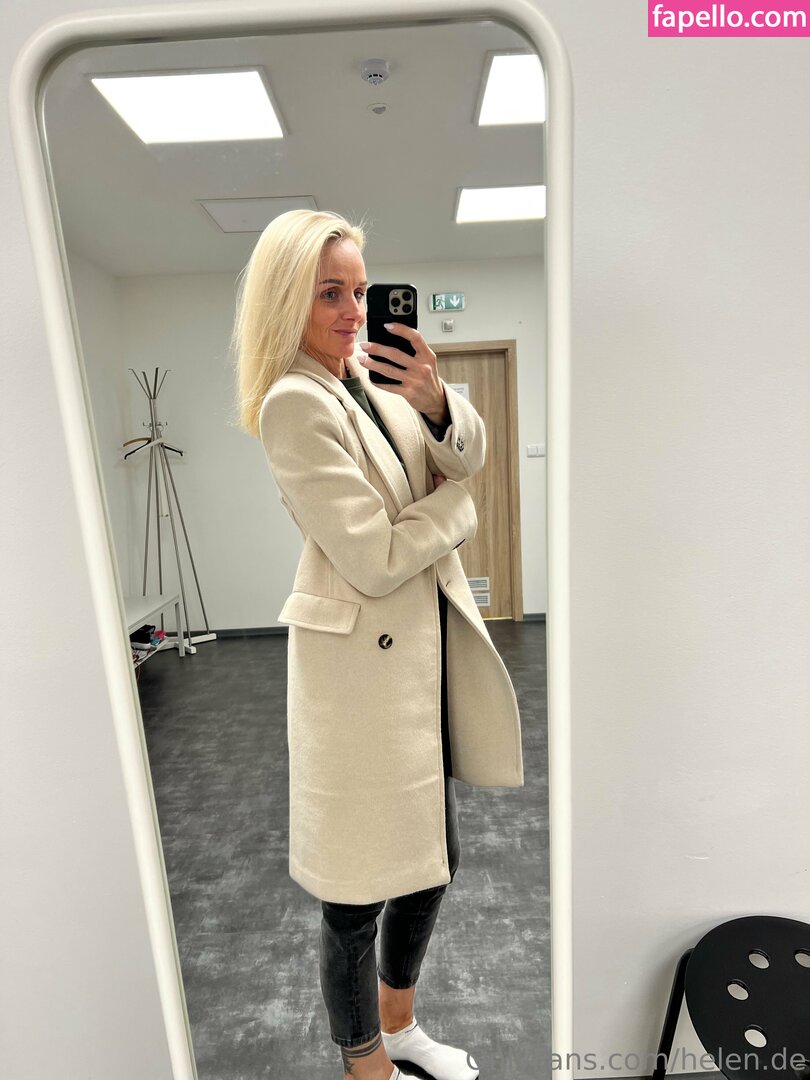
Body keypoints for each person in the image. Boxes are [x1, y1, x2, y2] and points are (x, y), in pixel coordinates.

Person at [231, 209, 524, 1080]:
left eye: (360, 290)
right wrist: (457, 512)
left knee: (433, 862)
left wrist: (436, 402)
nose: (355, 310)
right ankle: (367, 1064)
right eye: (330, 292)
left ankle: (400, 1026)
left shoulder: (374, 376)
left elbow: (464, 455)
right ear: (287, 300)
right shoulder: (293, 403)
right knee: (356, 893)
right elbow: (372, 558)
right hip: (359, 676)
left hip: (421, 661)